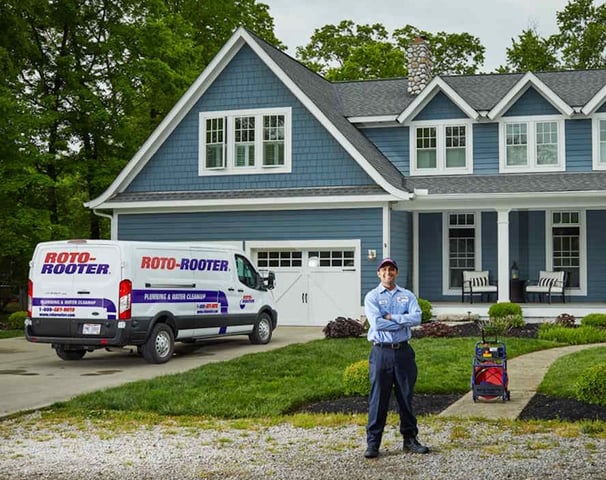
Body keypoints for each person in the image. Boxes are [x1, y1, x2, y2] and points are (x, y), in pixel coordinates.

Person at [363, 257, 429, 458]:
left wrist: (393, 318)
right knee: (378, 399)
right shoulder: (372, 296)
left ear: (396, 273)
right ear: (378, 273)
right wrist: (403, 321)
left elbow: (417, 317)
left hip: (403, 353)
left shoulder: (407, 295)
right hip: (381, 352)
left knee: (406, 398)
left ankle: (410, 440)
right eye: (384, 270)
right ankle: (373, 444)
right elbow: (377, 324)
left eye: (391, 269)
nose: (387, 273)